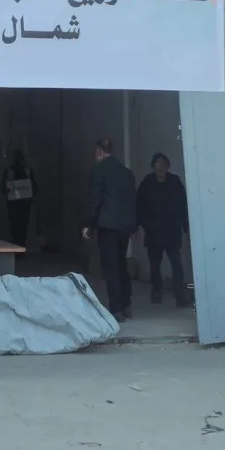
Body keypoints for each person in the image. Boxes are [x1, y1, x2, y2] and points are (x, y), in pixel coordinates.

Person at [84, 138, 137, 322]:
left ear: (99, 152)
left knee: (111, 267)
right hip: (124, 227)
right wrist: (133, 226)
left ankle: (116, 308)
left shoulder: (98, 170)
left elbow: (95, 199)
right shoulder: (127, 173)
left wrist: (88, 223)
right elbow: (132, 200)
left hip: (107, 226)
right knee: (121, 264)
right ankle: (126, 303)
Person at [135, 153, 190, 307]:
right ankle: (156, 290)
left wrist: (185, 226)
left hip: (172, 230)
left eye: (163, 163)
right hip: (154, 231)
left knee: (176, 264)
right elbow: (139, 205)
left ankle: (179, 294)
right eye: (157, 164)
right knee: (155, 264)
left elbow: (183, 205)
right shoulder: (147, 182)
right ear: (153, 166)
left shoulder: (175, 181)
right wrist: (141, 225)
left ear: (167, 166)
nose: (160, 167)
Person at [2, 148, 35, 248]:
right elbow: (3, 188)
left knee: (20, 228)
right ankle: (18, 248)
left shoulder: (27, 171)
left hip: (21, 204)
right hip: (16, 205)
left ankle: (20, 248)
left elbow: (34, 187)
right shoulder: (10, 171)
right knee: (17, 228)